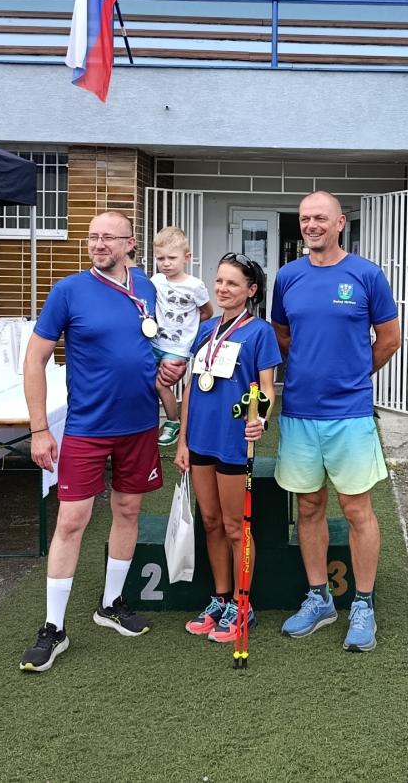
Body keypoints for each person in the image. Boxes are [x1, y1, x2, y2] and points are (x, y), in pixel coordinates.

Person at [19, 210, 186, 673]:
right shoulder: (69, 291)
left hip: (140, 425)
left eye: (108, 238)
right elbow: (34, 360)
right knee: (72, 520)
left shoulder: (148, 287)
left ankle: (110, 603)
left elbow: (158, 343)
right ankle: (53, 627)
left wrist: (169, 365)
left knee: (128, 511)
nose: (98, 244)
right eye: (93, 237)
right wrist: (39, 428)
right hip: (87, 429)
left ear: (130, 243)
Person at [272, 191, 400, 652]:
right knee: (309, 506)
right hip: (300, 412)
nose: (311, 225)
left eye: (320, 218)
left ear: (340, 222)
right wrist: (310, 367)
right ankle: (319, 598)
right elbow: (282, 332)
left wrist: (354, 374)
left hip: (349, 414)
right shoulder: (287, 276)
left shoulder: (366, 274)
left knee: (355, 508)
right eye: (305, 218)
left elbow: (390, 338)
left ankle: (363, 604)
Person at [175, 253, 281, 642]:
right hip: (201, 439)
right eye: (219, 281)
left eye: (232, 283)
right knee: (211, 522)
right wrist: (183, 439)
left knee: (236, 527)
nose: (222, 288)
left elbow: (267, 388)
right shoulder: (206, 329)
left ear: (251, 291)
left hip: (233, 442)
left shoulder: (260, 332)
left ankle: (242, 603)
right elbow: (191, 387)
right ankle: (220, 598)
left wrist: (261, 418)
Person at [150, 226, 213, 447]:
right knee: (142, 379)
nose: (166, 263)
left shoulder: (195, 286)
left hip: (177, 347)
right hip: (154, 342)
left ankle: (173, 421)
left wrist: (188, 329)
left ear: (187, 257)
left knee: (161, 384)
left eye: (172, 258)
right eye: (160, 258)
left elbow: (207, 312)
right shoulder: (156, 281)